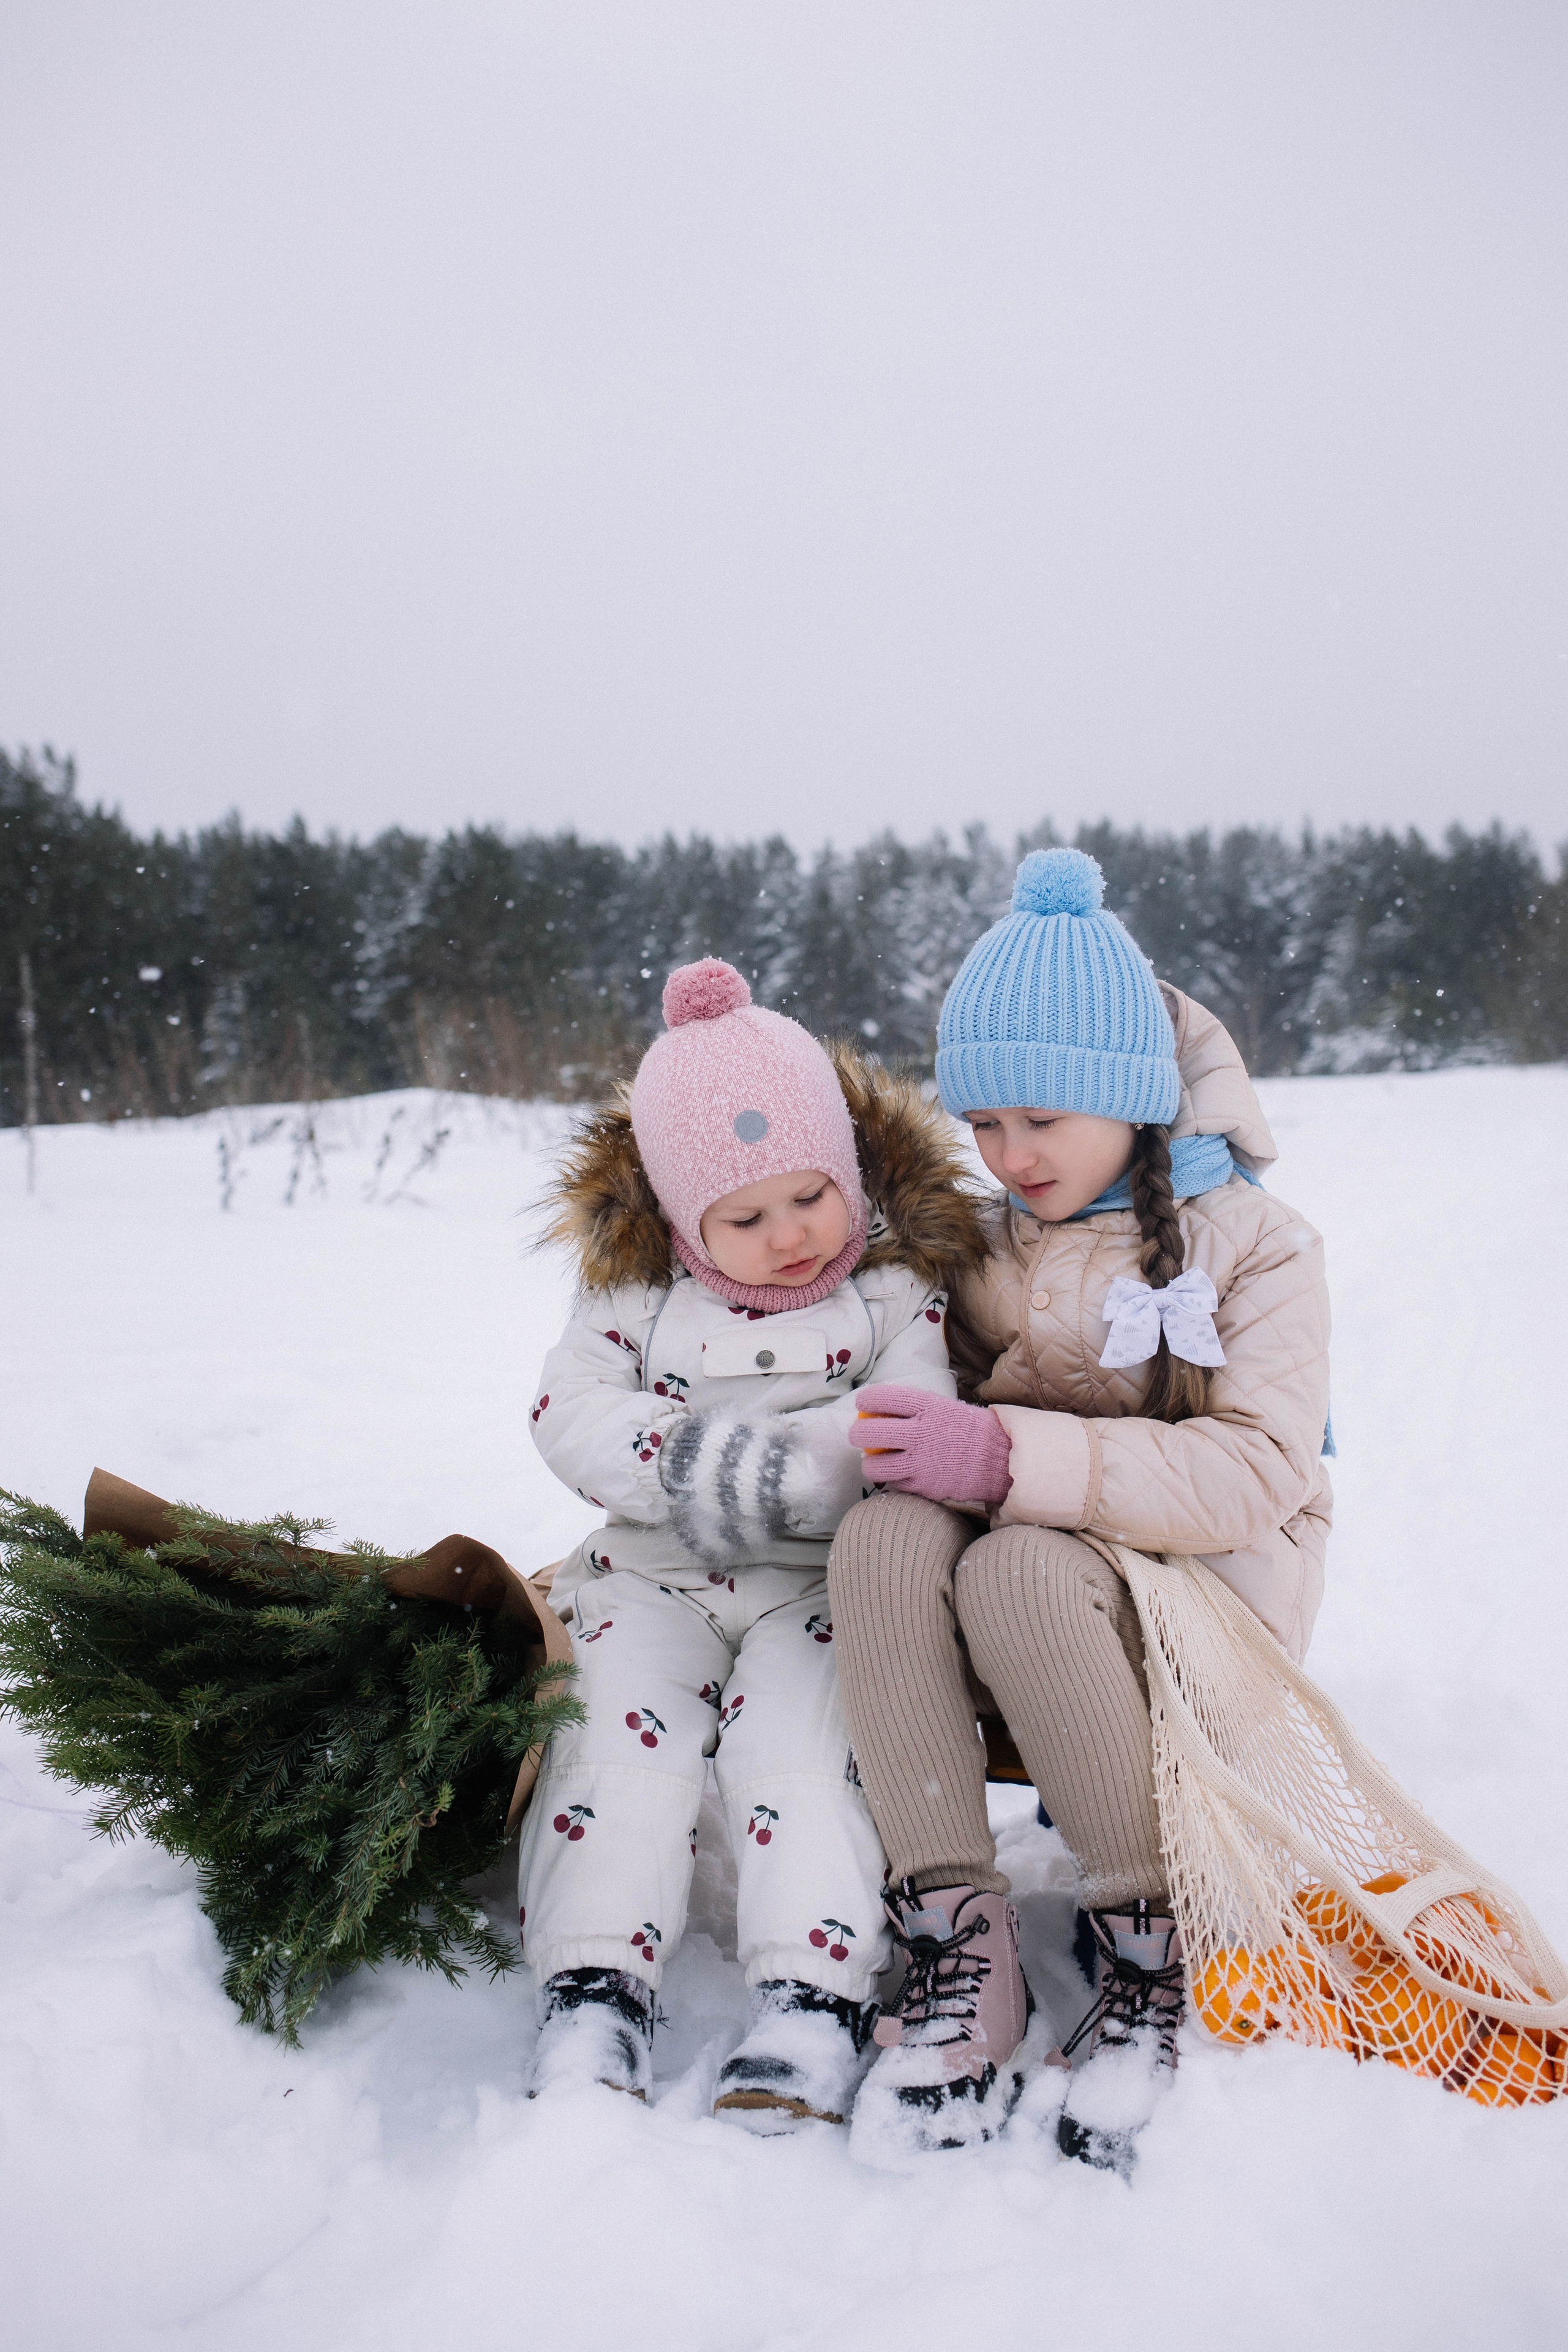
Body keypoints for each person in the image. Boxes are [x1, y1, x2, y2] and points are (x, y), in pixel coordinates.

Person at [830, 847, 1332, 2167]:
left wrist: (1001, 1458)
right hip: (1037, 1572)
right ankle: (955, 1926)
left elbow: (1254, 1473)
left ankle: (1146, 1934)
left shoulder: (1256, 1246)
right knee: (881, 1536)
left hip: (1200, 1596)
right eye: (983, 1125)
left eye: (1041, 1120)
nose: (1009, 1155)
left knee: (1018, 1570)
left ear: (1126, 1096)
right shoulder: (980, 1236)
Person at [518, 955, 982, 2130]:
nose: (788, 1235)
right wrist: (685, 1459)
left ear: (848, 1172)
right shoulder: (632, 1293)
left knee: (801, 1755)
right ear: (684, 1218)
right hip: (651, 1574)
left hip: (814, 1583)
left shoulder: (893, 1290)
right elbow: (568, 1409)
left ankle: (809, 2002)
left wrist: (793, 1470)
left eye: (809, 1196)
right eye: (745, 1215)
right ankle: (593, 1988)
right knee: (615, 1751)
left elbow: (903, 1424)